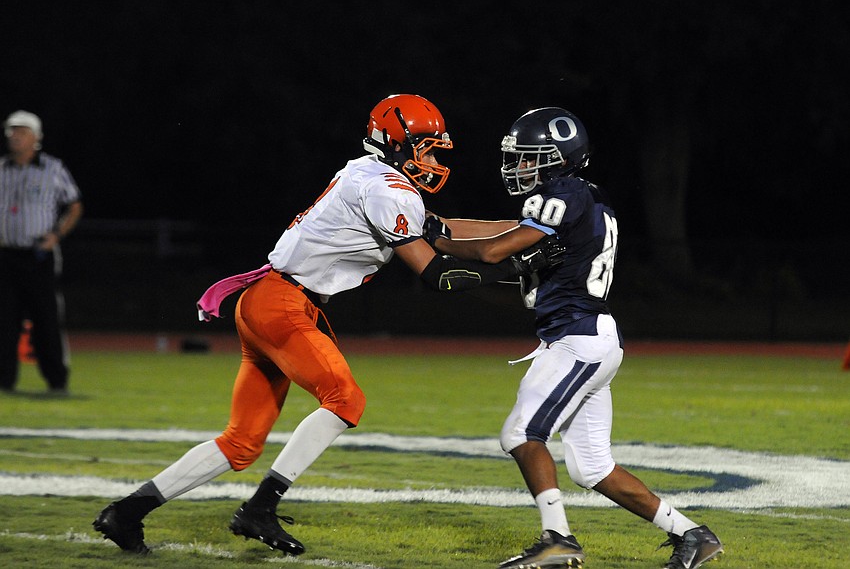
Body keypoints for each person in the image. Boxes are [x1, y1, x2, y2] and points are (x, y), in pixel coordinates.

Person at [92, 94, 560, 556]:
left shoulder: (369, 173)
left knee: (241, 442)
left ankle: (127, 513)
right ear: (400, 143)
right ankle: (260, 507)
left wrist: (528, 228)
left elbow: (447, 228)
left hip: (266, 302)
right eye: (428, 148)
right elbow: (436, 273)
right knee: (346, 399)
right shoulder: (386, 189)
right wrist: (519, 265)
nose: (434, 159)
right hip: (282, 306)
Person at [423, 107, 723, 569]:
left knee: (521, 433)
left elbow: (493, 248)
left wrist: (436, 245)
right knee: (591, 467)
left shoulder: (563, 194)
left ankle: (558, 539)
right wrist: (440, 226)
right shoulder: (583, 199)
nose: (519, 167)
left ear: (558, 158)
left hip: (577, 337)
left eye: (529, 158)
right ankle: (692, 535)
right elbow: (504, 236)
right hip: (590, 336)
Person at [0, 110, 83, 396]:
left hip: (37, 255)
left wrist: (56, 235)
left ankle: (57, 381)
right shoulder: (1, 169)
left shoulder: (52, 168)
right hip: (5, 255)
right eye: (11, 131)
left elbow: (74, 205)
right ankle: (4, 381)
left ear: (35, 137)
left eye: (21, 131)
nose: (14, 136)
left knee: (46, 319)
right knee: (4, 320)